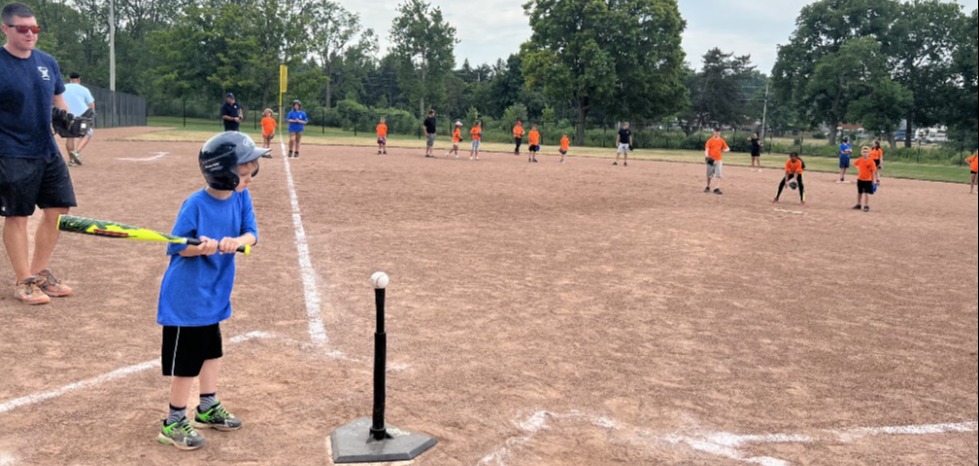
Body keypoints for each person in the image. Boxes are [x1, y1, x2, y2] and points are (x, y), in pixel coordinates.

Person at [156, 131, 264, 451]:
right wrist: (199, 247)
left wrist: (236, 242)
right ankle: (174, 420)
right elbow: (176, 247)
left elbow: (252, 235)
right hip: (186, 298)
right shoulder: (195, 204)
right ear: (222, 174)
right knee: (187, 361)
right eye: (243, 174)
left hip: (215, 292)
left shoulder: (241, 198)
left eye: (250, 173)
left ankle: (207, 407)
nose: (249, 180)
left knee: (211, 353)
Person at [1, 2, 77, 305]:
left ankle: (38, 273)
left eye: (35, 28)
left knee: (58, 209)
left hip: (47, 149)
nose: (31, 34)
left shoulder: (48, 62)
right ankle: (23, 281)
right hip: (11, 151)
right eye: (23, 29)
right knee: (18, 216)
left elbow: (59, 101)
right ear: (6, 29)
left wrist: (70, 120)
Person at [62, 72, 95, 167]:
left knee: (69, 136)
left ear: (70, 79)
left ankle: (72, 161)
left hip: (66, 116)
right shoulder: (84, 89)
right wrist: (91, 115)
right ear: (79, 79)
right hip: (81, 117)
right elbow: (91, 104)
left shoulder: (63, 88)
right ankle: (76, 152)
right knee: (89, 132)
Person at [704, 128, 730, 195]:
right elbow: (707, 149)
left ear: (720, 133)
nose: (717, 133)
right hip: (711, 159)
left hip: (718, 160)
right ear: (713, 132)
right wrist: (707, 156)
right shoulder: (710, 140)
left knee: (718, 175)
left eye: (718, 132)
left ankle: (716, 188)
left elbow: (727, 148)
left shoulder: (721, 140)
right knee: (709, 175)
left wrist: (724, 150)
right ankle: (708, 186)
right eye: (716, 132)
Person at [853, 146, 877, 212]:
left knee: (866, 193)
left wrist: (873, 181)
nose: (865, 153)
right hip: (860, 179)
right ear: (861, 153)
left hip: (867, 180)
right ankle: (858, 204)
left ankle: (866, 205)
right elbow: (854, 164)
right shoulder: (860, 160)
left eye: (866, 152)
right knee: (859, 192)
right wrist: (858, 168)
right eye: (863, 152)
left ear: (869, 153)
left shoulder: (871, 162)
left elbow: (873, 172)